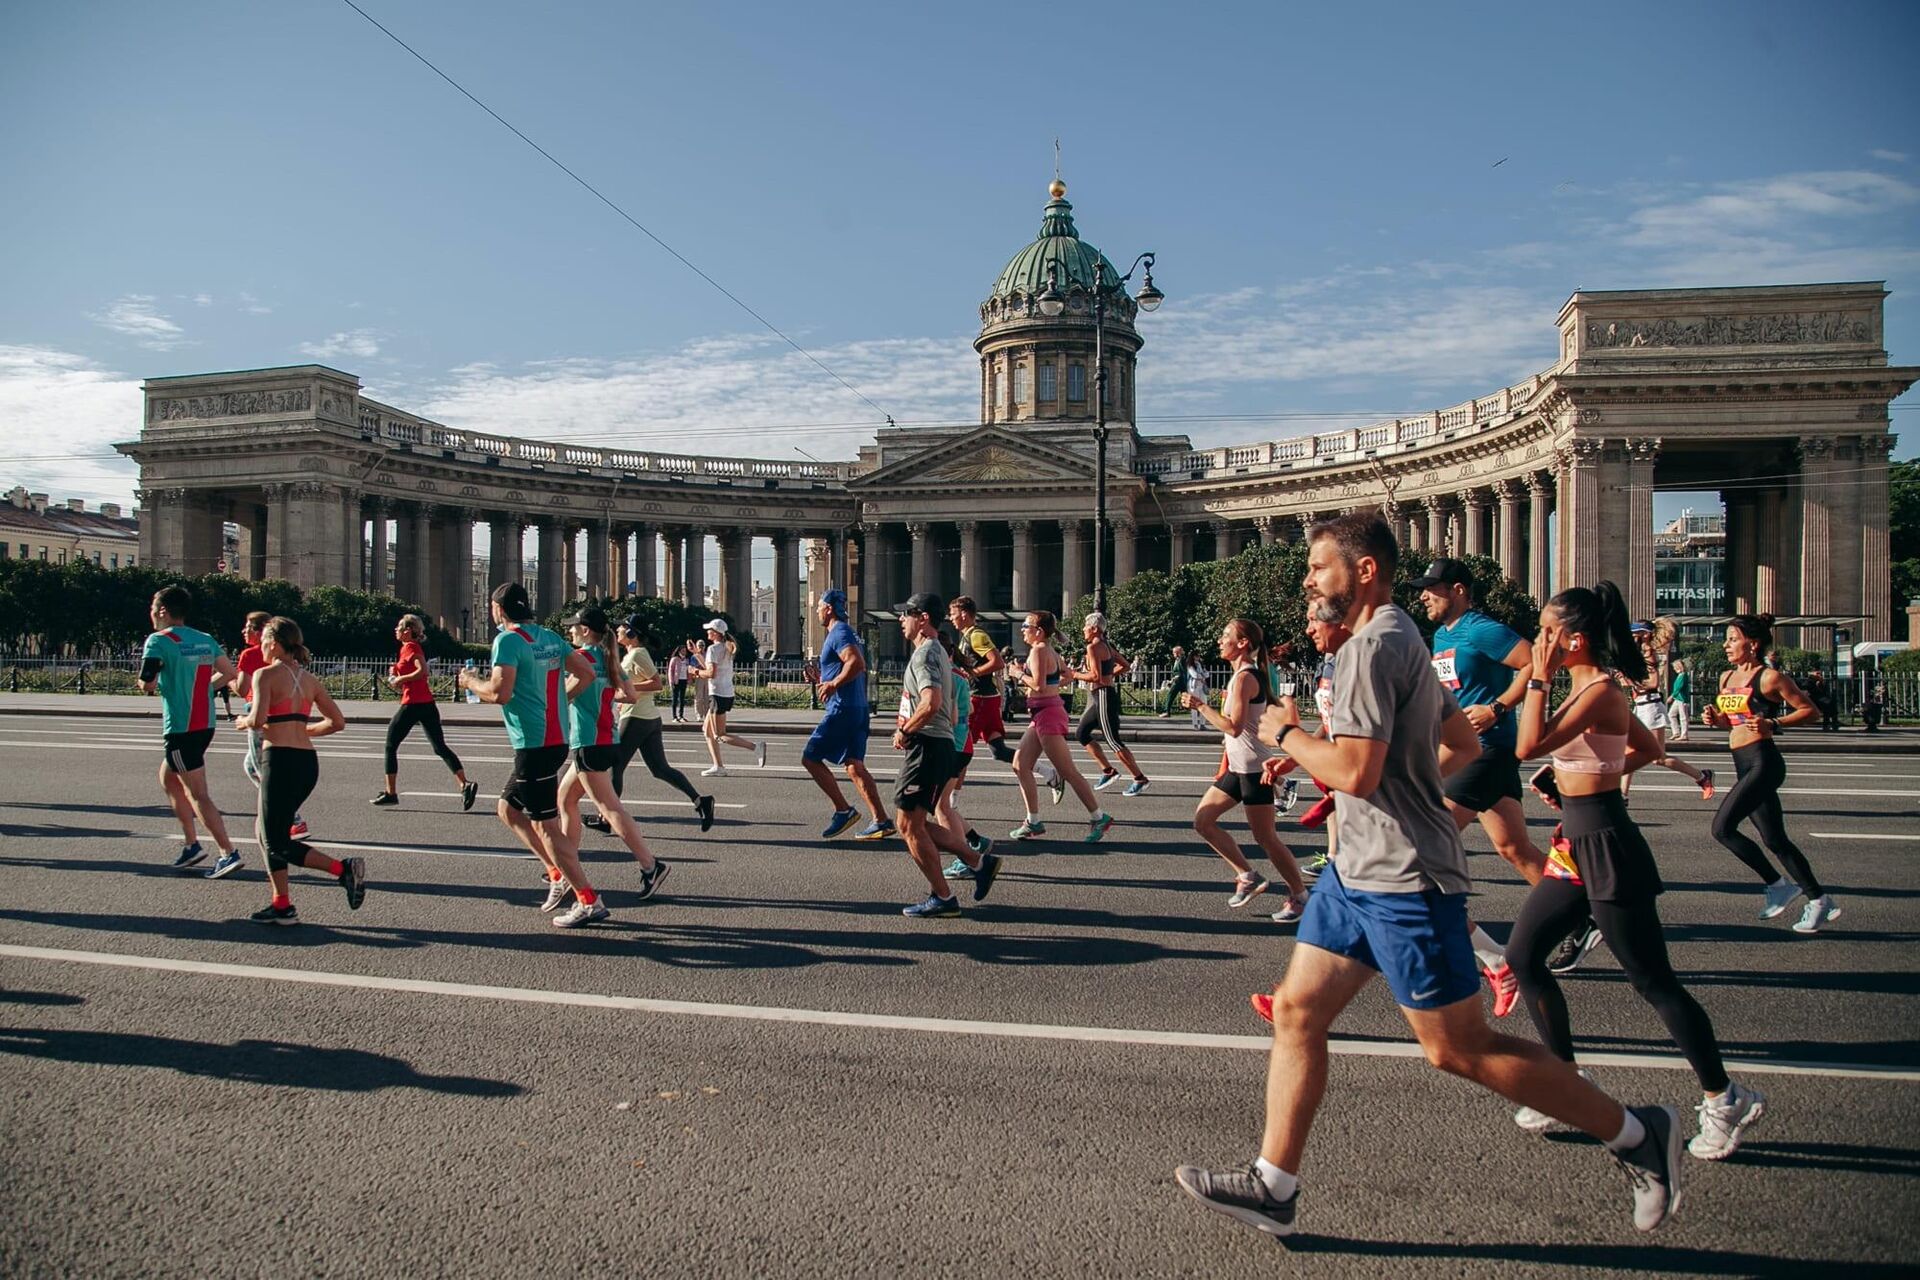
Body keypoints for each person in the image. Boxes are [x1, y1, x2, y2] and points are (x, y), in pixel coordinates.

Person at [1175, 510, 1683, 1240]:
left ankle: (1639, 1134)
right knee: (1296, 1013)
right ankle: (1274, 1184)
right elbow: (1458, 740)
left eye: (1318, 567)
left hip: (1403, 880)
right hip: (1357, 871)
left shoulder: (1368, 651)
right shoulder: (1406, 634)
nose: (1308, 579)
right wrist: (1393, 787)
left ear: (1365, 570)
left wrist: (1288, 734)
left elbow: (1353, 768)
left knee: (1458, 1048)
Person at [1509, 582, 1765, 1158]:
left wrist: (1538, 680)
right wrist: (1579, 775)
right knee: (1524, 957)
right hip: (1575, 838)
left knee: (1654, 982)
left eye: (1547, 632)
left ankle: (1726, 1099)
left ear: (1573, 640)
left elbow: (1527, 745)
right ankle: (1566, 1084)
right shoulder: (1588, 688)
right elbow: (1646, 748)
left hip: (1605, 842)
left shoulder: (1596, 688)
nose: (1538, 640)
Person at [458, 582, 607, 927]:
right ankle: (556, 873)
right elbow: (584, 673)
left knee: (547, 827)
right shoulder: (550, 637)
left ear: (499, 609)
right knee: (507, 809)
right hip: (554, 739)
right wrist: (559, 699)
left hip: (534, 745)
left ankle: (588, 898)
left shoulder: (507, 640)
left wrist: (469, 682)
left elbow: (499, 693)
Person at [1414, 558, 1548, 890]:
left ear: (1457, 590)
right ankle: (1584, 911)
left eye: (1431, 589)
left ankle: (1455, 934)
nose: (1423, 597)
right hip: (1468, 750)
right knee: (1514, 848)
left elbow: (1534, 663)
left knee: (1424, 846)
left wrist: (1497, 708)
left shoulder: (1480, 629)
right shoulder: (1442, 637)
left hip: (1486, 750)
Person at [1701, 613, 1836, 931]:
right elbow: (1731, 721)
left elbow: (1810, 712)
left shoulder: (1769, 678)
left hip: (1764, 762)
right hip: (1742, 761)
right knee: (1775, 840)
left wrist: (1773, 724)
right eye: (1727, 639)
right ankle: (1819, 901)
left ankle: (1778, 885)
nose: (1726, 644)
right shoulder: (1726, 677)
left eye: (1733, 639)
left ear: (1753, 643)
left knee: (1722, 828)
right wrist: (1715, 718)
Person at [231, 617, 366, 924]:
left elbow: (257, 718)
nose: (261, 647)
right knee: (266, 832)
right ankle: (281, 904)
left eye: (264, 641)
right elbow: (337, 722)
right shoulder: (309, 680)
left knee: (275, 840)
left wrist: (244, 722)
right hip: (306, 763)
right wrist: (302, 730)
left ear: (275, 644)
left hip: (278, 761)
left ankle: (343, 870)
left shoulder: (264, 675)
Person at [549, 607, 669, 922]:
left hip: (588, 740)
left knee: (609, 807)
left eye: (574, 627)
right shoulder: (609, 660)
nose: (571, 631)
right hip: (604, 737)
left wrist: (571, 696)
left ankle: (650, 865)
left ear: (586, 631)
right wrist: (603, 695)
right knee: (566, 798)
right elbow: (629, 694)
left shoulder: (585, 658)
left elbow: (565, 693)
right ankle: (565, 867)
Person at [1184, 618, 1309, 923]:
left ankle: (1301, 896)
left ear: (1242, 644)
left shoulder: (1244, 678)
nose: (1219, 640)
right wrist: (1224, 765)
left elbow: (1234, 727)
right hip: (1238, 769)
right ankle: (1247, 875)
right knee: (1203, 821)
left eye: (1225, 635)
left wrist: (1201, 707)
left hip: (1254, 770)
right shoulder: (1239, 675)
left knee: (1266, 838)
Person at [890, 593, 1001, 917]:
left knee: (909, 826)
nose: (901, 620)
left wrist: (906, 730)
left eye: (906, 614)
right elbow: (951, 714)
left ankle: (944, 897)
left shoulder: (925, 655)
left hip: (926, 746)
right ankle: (978, 862)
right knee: (912, 823)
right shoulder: (941, 653)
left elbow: (932, 703)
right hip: (939, 746)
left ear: (922, 618)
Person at [138, 584, 243, 874]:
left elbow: (147, 682)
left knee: (198, 793)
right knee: (168, 778)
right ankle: (191, 844)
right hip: (204, 723)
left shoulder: (158, 640)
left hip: (180, 728)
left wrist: (149, 684)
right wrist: (204, 690)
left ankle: (227, 852)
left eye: (152, 609)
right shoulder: (204, 639)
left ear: (162, 611)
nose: (151, 614)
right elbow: (230, 673)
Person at [593, 618, 712, 832]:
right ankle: (700, 801)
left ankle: (606, 818)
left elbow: (656, 683)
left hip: (637, 718)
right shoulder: (632, 654)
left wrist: (624, 685)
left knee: (615, 766)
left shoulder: (638, 653)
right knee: (659, 769)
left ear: (632, 634)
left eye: (622, 627)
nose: (617, 629)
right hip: (647, 717)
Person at [1007, 610, 1115, 843]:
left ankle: (1099, 817)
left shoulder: (1038, 651)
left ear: (1039, 631)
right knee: (1020, 764)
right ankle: (1033, 821)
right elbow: (1067, 675)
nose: (1023, 630)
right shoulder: (1050, 651)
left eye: (1026, 626)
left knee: (1068, 772)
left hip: (1047, 714)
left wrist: (1017, 674)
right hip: (1043, 713)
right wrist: (1053, 687)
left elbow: (1039, 685)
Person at [949, 595, 1063, 804]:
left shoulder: (976, 636)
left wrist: (971, 673)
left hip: (979, 699)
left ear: (964, 615)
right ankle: (1048, 773)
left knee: (960, 750)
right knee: (998, 751)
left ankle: (950, 803)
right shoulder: (968, 636)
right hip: (987, 699)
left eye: (953, 614)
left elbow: (997, 661)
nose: (951, 618)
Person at [801, 589, 892, 840]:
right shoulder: (847, 632)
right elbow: (848, 668)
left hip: (843, 708)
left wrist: (832, 685)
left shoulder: (839, 632)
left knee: (810, 758)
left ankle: (843, 810)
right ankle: (881, 820)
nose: (817, 610)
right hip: (858, 708)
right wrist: (822, 679)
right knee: (854, 766)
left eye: (819, 606)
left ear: (828, 608)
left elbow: (856, 663)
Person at [370, 613, 478, 811]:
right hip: (426, 703)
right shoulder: (405, 649)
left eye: (399, 627)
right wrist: (396, 679)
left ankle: (390, 793)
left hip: (413, 704)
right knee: (439, 747)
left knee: (390, 746)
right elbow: (411, 679)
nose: (395, 630)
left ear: (408, 631)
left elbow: (422, 671)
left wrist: (400, 679)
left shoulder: (410, 647)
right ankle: (464, 784)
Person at [1618, 618, 1712, 803]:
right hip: (1642, 707)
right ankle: (1622, 796)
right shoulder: (1640, 652)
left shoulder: (1649, 653)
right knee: (1629, 753)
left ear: (1645, 634)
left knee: (1658, 758)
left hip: (1651, 707)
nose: (1632, 636)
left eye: (1635, 633)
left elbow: (1653, 683)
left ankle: (1702, 776)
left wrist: (1629, 681)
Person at [234, 611, 309, 843]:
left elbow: (241, 688)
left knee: (261, 768)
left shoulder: (250, 656)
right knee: (250, 765)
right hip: (282, 715)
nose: (244, 631)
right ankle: (280, 813)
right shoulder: (289, 657)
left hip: (256, 712)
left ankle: (290, 818)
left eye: (248, 628)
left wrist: (227, 680)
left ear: (262, 633)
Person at [1068, 612, 1150, 796]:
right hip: (1102, 695)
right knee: (1081, 733)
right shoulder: (1106, 645)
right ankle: (1108, 771)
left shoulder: (1094, 647)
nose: (1083, 630)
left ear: (1095, 629)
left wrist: (1075, 674)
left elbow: (1095, 676)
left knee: (1113, 741)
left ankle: (1139, 778)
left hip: (1103, 695)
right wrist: (1110, 675)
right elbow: (1126, 665)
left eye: (1085, 626)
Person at [689, 619, 765, 777]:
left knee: (720, 735)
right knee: (707, 730)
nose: (707, 631)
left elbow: (710, 673)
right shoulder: (726, 647)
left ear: (716, 633)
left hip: (717, 694)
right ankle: (718, 766)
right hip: (725, 693)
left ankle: (755, 747)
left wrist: (694, 672)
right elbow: (711, 668)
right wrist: (696, 653)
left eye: (709, 629)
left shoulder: (712, 649)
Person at [1159, 644, 1189, 717]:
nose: (1173, 654)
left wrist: (1173, 680)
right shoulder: (1179, 659)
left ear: (1178, 652)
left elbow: (1181, 671)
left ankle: (1167, 711)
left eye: (1174, 652)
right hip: (1181, 681)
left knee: (1170, 695)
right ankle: (1189, 709)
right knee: (1185, 696)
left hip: (1178, 681)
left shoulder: (1181, 659)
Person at [1667, 658, 1693, 742]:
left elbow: (1678, 688)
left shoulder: (1683, 675)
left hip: (1682, 699)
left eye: (1675, 667)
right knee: (1671, 714)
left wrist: (1671, 696)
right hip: (1678, 698)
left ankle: (1684, 734)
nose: (1674, 668)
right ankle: (1676, 732)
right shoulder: (1680, 675)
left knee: (1683, 717)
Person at [1185, 651, 1211, 731]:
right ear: (1193, 657)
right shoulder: (1190, 666)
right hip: (1194, 687)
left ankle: (1202, 724)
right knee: (1194, 706)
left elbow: (1207, 673)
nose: (1198, 657)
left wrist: (1203, 675)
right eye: (1197, 656)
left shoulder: (1200, 664)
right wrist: (1203, 676)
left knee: (1204, 704)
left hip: (1202, 686)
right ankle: (1195, 724)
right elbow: (1194, 675)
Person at [667, 644, 691, 722]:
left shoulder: (686, 660)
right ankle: (674, 716)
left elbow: (688, 670)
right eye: (683, 650)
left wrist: (689, 679)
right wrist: (671, 681)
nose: (684, 652)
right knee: (675, 698)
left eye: (685, 650)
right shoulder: (675, 659)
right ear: (679, 651)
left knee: (682, 699)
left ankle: (681, 715)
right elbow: (670, 671)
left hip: (684, 680)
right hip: (676, 681)